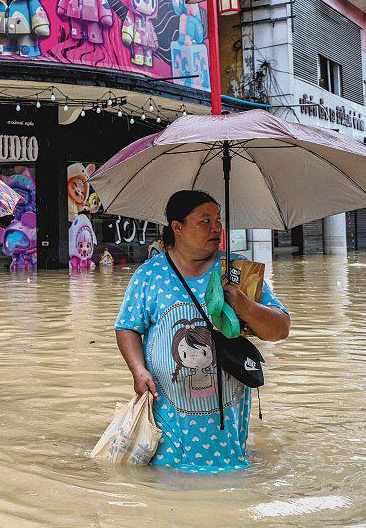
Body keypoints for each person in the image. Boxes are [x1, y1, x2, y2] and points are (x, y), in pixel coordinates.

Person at [114, 190, 290, 472]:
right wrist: (138, 370)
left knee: (229, 476)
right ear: (178, 227)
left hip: (227, 420)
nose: (216, 228)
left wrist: (245, 306)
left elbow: (280, 329)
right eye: (205, 220)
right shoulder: (149, 275)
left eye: (218, 219)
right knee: (168, 481)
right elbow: (127, 327)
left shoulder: (236, 271)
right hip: (166, 419)